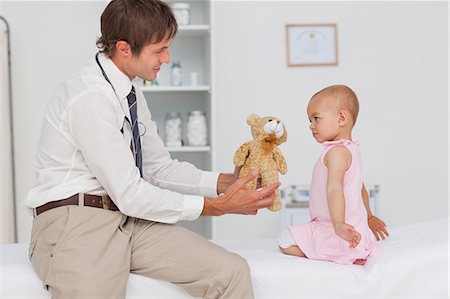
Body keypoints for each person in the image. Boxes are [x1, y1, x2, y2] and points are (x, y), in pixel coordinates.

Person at [25, 0, 279, 298]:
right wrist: (216, 208)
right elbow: (130, 193)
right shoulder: (90, 97)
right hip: (77, 222)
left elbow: (158, 169)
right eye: (159, 50)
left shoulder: (130, 93)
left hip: (125, 219)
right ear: (123, 48)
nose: (167, 59)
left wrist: (227, 183)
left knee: (230, 272)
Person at [278, 85, 380, 265]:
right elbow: (360, 188)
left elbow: (334, 189)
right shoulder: (352, 149)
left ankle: (336, 251)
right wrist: (369, 217)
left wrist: (339, 224)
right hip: (354, 227)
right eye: (309, 120)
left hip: (335, 228)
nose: (311, 126)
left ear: (341, 118)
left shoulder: (336, 153)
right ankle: (349, 249)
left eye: (316, 118)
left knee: (284, 240)